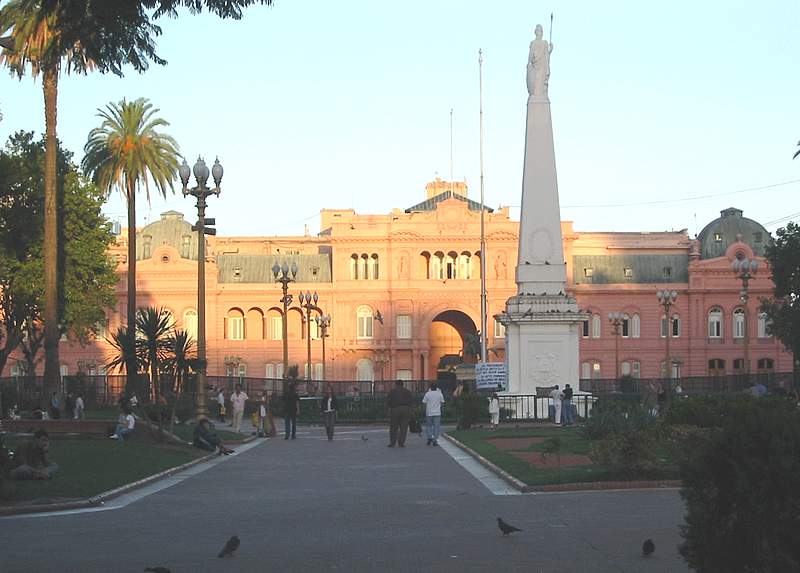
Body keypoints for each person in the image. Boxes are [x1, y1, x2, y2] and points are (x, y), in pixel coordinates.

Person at [386, 380, 413, 448]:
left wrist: (388, 410)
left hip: (395, 409)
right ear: (403, 384)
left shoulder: (392, 391)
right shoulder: (407, 391)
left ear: (396, 384)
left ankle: (392, 443)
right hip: (406, 409)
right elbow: (411, 401)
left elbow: (388, 401)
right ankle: (401, 443)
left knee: (393, 427)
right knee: (404, 427)